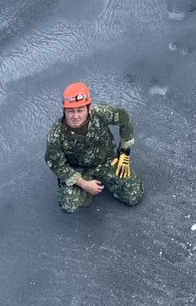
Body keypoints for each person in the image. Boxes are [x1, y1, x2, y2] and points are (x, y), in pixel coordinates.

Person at [45, 82, 144, 214]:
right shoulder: (56, 134)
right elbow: (56, 164)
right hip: (78, 169)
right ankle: (85, 192)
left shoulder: (100, 113)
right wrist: (83, 184)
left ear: (89, 109)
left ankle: (106, 181)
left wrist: (124, 151)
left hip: (107, 161)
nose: (75, 116)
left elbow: (125, 118)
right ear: (64, 111)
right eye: (70, 111)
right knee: (68, 205)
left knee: (134, 196)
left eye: (80, 110)